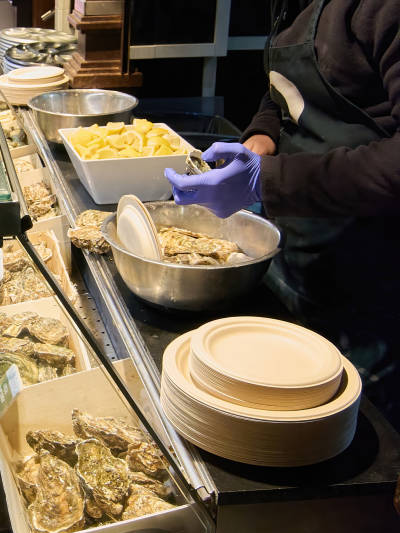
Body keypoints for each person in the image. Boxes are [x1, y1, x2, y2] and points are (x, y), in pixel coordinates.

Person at [165, 0, 400, 430]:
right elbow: (283, 93)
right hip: (298, 252)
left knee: (352, 440)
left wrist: (268, 182)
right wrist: (261, 137)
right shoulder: (291, 5)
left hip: (370, 278)